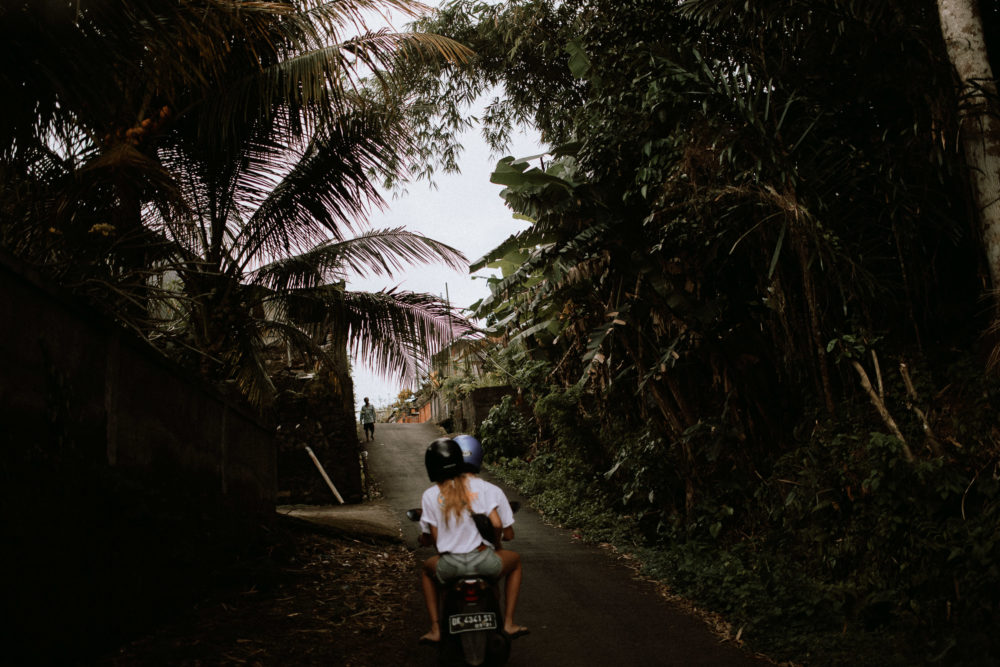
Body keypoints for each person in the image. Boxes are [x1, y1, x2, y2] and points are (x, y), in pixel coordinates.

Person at [418, 438, 528, 644]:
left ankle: (435, 629)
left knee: (426, 570)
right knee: (516, 562)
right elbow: (496, 524)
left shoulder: (430, 495)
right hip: (482, 559)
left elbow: (434, 538)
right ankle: (509, 623)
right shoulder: (480, 489)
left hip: (449, 565)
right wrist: (497, 545)